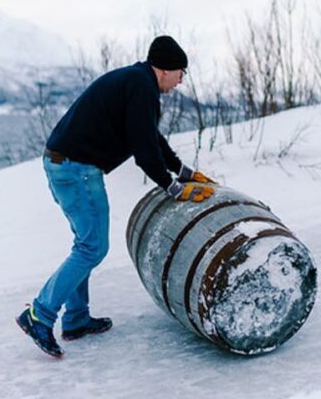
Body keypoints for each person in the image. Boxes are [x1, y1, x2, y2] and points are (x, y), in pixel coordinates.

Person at [16, 35, 216, 358]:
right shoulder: (141, 87)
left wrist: (183, 172)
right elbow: (144, 152)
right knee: (93, 247)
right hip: (76, 168)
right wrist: (174, 188)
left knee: (85, 243)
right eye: (182, 73)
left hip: (63, 164)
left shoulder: (136, 82)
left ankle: (76, 319)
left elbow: (150, 138)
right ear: (166, 68)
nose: (181, 81)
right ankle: (40, 314)